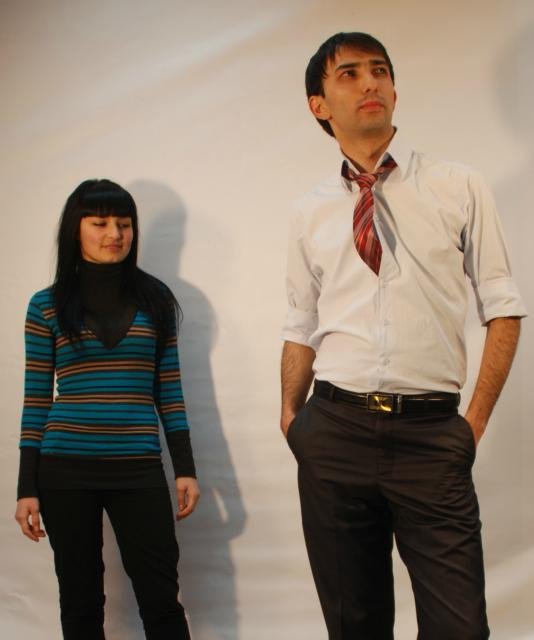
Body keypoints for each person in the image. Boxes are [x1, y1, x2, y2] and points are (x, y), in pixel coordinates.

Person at [280, 32, 526, 640]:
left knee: (459, 627)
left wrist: (471, 425)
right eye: (349, 74)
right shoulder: (310, 210)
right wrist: (292, 418)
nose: (370, 83)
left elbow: (503, 308)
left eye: (380, 70)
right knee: (354, 624)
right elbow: (301, 321)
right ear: (319, 104)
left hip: (431, 435)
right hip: (334, 430)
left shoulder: (458, 185)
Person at [15, 179, 199, 640]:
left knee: (161, 599)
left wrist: (185, 468)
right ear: (75, 229)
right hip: (64, 469)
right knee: (80, 604)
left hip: (137, 466)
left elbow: (169, 392)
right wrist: (26, 487)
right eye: (99, 223)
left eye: (124, 223)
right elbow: (36, 400)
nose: (114, 233)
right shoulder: (46, 306)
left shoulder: (156, 300)